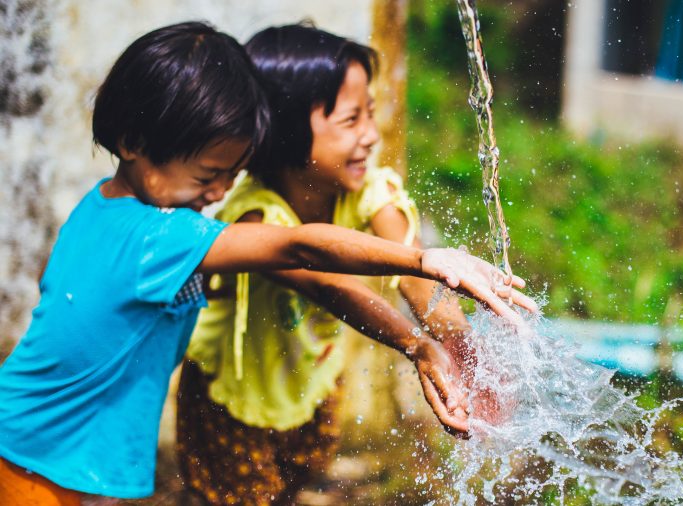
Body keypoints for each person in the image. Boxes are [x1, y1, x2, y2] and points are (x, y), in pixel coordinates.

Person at [0, 21, 530, 505]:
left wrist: (444, 338)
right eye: (207, 175)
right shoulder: (160, 235)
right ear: (133, 142)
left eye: (230, 174)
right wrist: (424, 260)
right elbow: (302, 249)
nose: (219, 193)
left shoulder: (101, 207)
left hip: (44, 443)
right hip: (37, 457)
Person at [175, 23, 537, 506]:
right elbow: (330, 286)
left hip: (313, 377)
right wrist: (415, 344)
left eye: (370, 112)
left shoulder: (367, 190)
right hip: (233, 394)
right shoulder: (255, 217)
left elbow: (416, 275)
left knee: (295, 481)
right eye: (350, 120)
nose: (370, 134)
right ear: (285, 131)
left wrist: (456, 340)